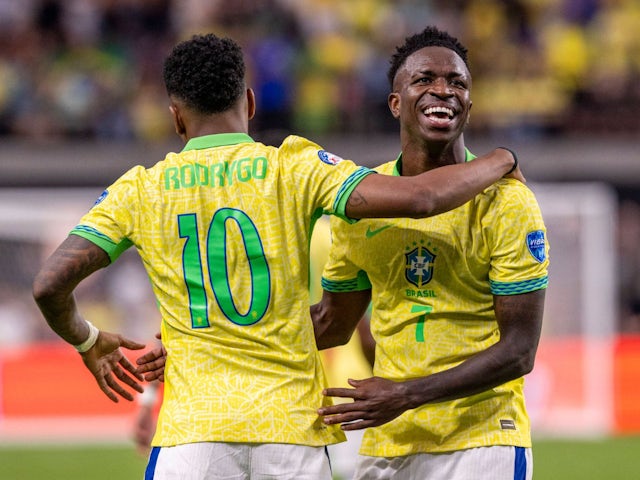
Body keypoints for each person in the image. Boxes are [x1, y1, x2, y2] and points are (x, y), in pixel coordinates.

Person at [32, 33, 521, 480]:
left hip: (192, 438)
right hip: (290, 438)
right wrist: (502, 159)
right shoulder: (293, 167)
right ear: (248, 101)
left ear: (176, 116)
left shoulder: (139, 188)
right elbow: (419, 199)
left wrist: (87, 339)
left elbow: (49, 285)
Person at [312, 26, 549, 480]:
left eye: (457, 83)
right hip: (389, 440)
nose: (443, 90)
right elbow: (331, 322)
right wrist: (204, 341)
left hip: (482, 440)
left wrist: (405, 393)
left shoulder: (506, 202)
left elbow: (520, 350)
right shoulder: (362, 203)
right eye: (424, 80)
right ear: (395, 103)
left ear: (469, 105)